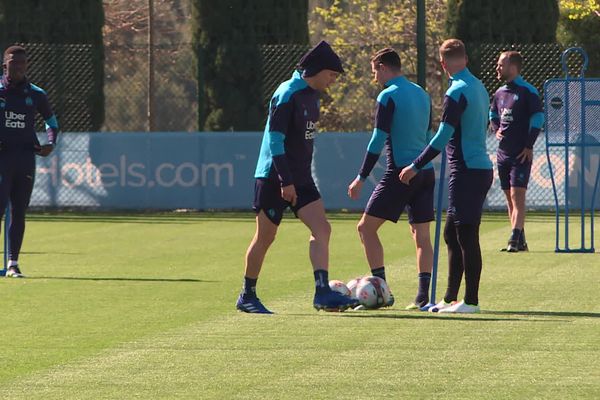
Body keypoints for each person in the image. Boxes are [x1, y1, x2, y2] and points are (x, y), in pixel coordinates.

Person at [236, 40, 358, 314]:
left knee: (322, 229)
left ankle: (322, 292)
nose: (333, 81)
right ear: (317, 70)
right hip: (273, 178)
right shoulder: (287, 93)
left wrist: (297, 179)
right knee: (265, 237)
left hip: (301, 178)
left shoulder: (312, 96)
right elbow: (276, 141)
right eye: (332, 75)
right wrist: (285, 181)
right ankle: (247, 295)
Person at [399, 39, 492, 314]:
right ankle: (450, 298)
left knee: (466, 233)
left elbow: (443, 136)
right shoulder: (478, 86)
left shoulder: (457, 91)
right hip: (476, 168)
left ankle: (471, 301)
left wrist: (415, 165)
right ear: (465, 58)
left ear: (443, 64)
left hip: (468, 170)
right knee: (452, 232)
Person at [347, 48, 434, 310]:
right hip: (425, 171)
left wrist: (361, 177)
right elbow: (428, 133)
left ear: (384, 67)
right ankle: (422, 296)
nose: (375, 77)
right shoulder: (422, 93)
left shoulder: (388, 95)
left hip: (400, 173)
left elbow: (377, 140)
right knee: (421, 236)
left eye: (375, 71)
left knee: (365, 228)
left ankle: (381, 290)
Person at [0, 45, 58, 278]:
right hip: (1, 158)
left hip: (24, 158)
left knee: (19, 211)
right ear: (5, 64)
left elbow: (51, 122)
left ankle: (13, 264)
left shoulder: (36, 94)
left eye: (23, 62)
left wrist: (50, 144)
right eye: (14, 62)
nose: (19, 66)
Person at [490, 51, 544, 252]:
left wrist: (529, 145)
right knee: (508, 197)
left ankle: (514, 238)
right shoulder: (499, 93)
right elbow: (493, 113)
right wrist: (496, 130)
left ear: (512, 67)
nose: (497, 67)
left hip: (521, 153)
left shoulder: (528, 91)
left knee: (517, 195)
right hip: (503, 153)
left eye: (501, 64)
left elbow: (538, 118)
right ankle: (521, 240)